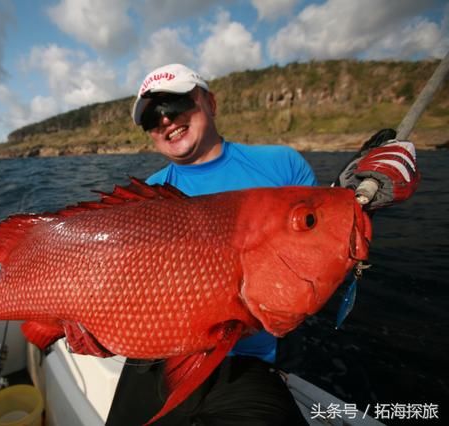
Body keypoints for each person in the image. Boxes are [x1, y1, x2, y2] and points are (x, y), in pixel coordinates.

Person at [105, 63, 420, 425]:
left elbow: (312, 252)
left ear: (210, 102)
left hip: (247, 363)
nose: (165, 121)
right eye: (151, 118)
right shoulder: (146, 197)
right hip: (157, 357)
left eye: (175, 106)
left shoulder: (282, 164)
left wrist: (356, 201)